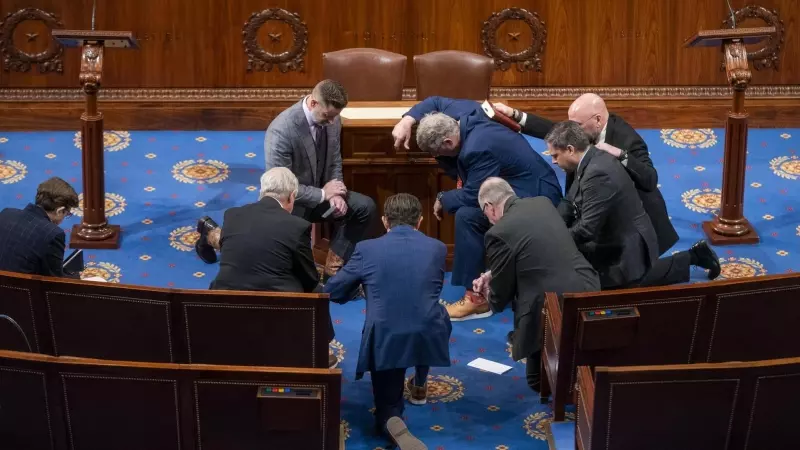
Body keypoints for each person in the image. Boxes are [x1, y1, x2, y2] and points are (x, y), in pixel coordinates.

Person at [392, 96, 562, 321]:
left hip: (535, 196)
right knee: (468, 214)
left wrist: (443, 198)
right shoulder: (462, 112)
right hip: (521, 181)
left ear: (447, 143)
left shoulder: (478, 148)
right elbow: (434, 101)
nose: (440, 159)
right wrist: (407, 120)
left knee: (467, 215)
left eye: (440, 155)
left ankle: (477, 301)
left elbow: (474, 195)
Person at [324, 193, 450, 449]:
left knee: (388, 406)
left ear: (384, 221)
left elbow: (334, 291)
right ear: (421, 221)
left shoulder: (367, 249)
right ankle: (420, 383)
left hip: (387, 337)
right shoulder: (438, 248)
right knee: (438, 313)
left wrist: (360, 287)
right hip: (428, 330)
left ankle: (393, 421)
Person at [494, 93, 683, 258]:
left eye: (577, 124)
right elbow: (557, 131)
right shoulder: (585, 130)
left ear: (598, 120)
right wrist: (516, 115)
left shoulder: (628, 140)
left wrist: (621, 155)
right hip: (597, 200)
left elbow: (650, 179)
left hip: (634, 218)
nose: (572, 130)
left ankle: (689, 259)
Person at [545, 120, 718, 289]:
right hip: (614, 233)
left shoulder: (597, 173)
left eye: (555, 155)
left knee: (597, 285)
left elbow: (586, 230)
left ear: (570, 149)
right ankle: (693, 256)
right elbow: (570, 199)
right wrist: (554, 224)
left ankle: (693, 257)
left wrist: (554, 241)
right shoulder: (589, 158)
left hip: (627, 248)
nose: (553, 161)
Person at [197, 167, 337, 368]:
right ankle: (321, 349)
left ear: (261, 192)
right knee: (316, 290)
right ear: (291, 197)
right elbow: (309, 278)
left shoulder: (232, 215)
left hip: (225, 295)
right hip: (276, 303)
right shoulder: (297, 226)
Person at [473, 177, 600, 392]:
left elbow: (500, 296)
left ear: (489, 207)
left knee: (537, 382)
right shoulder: (542, 203)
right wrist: (491, 273)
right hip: (588, 285)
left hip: (552, 306)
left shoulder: (498, 233)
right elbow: (534, 247)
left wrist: (488, 293)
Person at [263, 79, 377, 280]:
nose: (332, 122)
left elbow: (334, 160)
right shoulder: (281, 130)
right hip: (290, 205)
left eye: (335, 117)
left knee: (364, 207)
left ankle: (333, 269)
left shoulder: (331, 119)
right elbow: (281, 189)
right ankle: (212, 234)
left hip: (321, 199)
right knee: (290, 269)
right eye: (328, 116)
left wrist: (337, 194)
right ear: (314, 103)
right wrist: (324, 193)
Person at [0, 177, 79, 277]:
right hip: (22, 290)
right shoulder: (53, 234)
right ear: (60, 211)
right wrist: (77, 277)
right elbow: (54, 280)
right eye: (67, 214)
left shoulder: (6, 213)